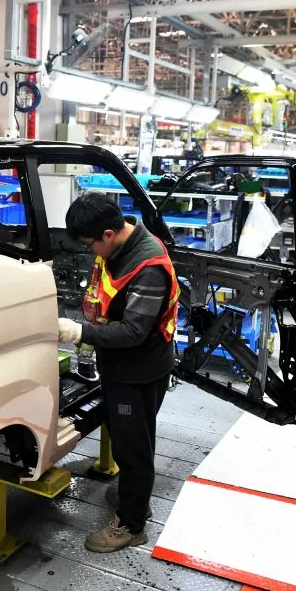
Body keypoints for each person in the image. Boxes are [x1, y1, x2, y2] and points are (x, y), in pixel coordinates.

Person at [57, 193, 179, 553]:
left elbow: (133, 332)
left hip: (138, 371)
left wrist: (79, 331)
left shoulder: (148, 268)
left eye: (90, 244)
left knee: (133, 448)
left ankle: (131, 524)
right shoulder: (123, 246)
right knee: (128, 436)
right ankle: (133, 496)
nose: (90, 251)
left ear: (108, 234)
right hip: (122, 366)